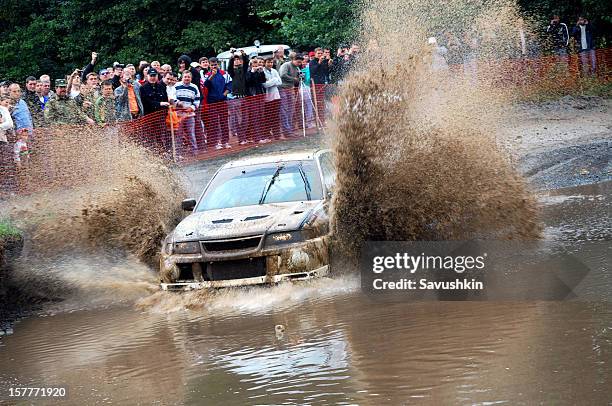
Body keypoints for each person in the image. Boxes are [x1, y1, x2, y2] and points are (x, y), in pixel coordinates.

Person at [203, 57, 232, 150]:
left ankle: (225, 142)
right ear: (209, 65)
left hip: (222, 101)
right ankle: (216, 142)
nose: (214, 66)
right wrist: (212, 75)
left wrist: (223, 95)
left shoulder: (225, 74)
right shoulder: (206, 75)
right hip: (211, 102)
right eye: (212, 65)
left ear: (218, 64)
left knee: (224, 122)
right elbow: (206, 85)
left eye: (215, 64)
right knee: (214, 122)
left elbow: (229, 85)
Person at [174, 70, 201, 154]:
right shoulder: (176, 86)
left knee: (191, 133)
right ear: (182, 77)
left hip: (189, 114)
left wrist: (192, 108)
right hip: (178, 115)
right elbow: (172, 97)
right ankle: (179, 153)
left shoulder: (194, 87)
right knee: (178, 134)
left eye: (188, 77)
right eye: (185, 77)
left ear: (191, 78)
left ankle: (194, 151)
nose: (187, 78)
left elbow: (197, 100)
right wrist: (178, 102)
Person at [228, 50, 250, 143]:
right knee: (238, 119)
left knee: (245, 118)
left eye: (239, 59)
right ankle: (240, 138)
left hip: (245, 96)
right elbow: (229, 67)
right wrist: (232, 55)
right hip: (236, 97)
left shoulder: (244, 70)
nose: (237, 61)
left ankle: (244, 137)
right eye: (235, 60)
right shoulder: (232, 72)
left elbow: (246, 63)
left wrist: (244, 54)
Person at [278, 54, 303, 137]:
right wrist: (294, 79)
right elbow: (283, 75)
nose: (299, 63)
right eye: (298, 62)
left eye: (300, 62)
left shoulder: (297, 68)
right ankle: (286, 131)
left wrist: (300, 78)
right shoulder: (286, 65)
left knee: (291, 110)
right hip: (283, 89)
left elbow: (298, 78)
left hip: (291, 89)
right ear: (293, 59)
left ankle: (290, 129)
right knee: (284, 110)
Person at [262, 56, 282, 141]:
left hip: (276, 96)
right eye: (268, 62)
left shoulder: (274, 71)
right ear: (265, 63)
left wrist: (271, 81)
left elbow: (280, 82)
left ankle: (276, 134)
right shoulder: (262, 71)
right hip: (267, 98)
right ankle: (267, 134)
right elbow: (264, 85)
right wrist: (274, 80)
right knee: (268, 117)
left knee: (276, 116)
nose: (270, 64)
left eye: (271, 62)